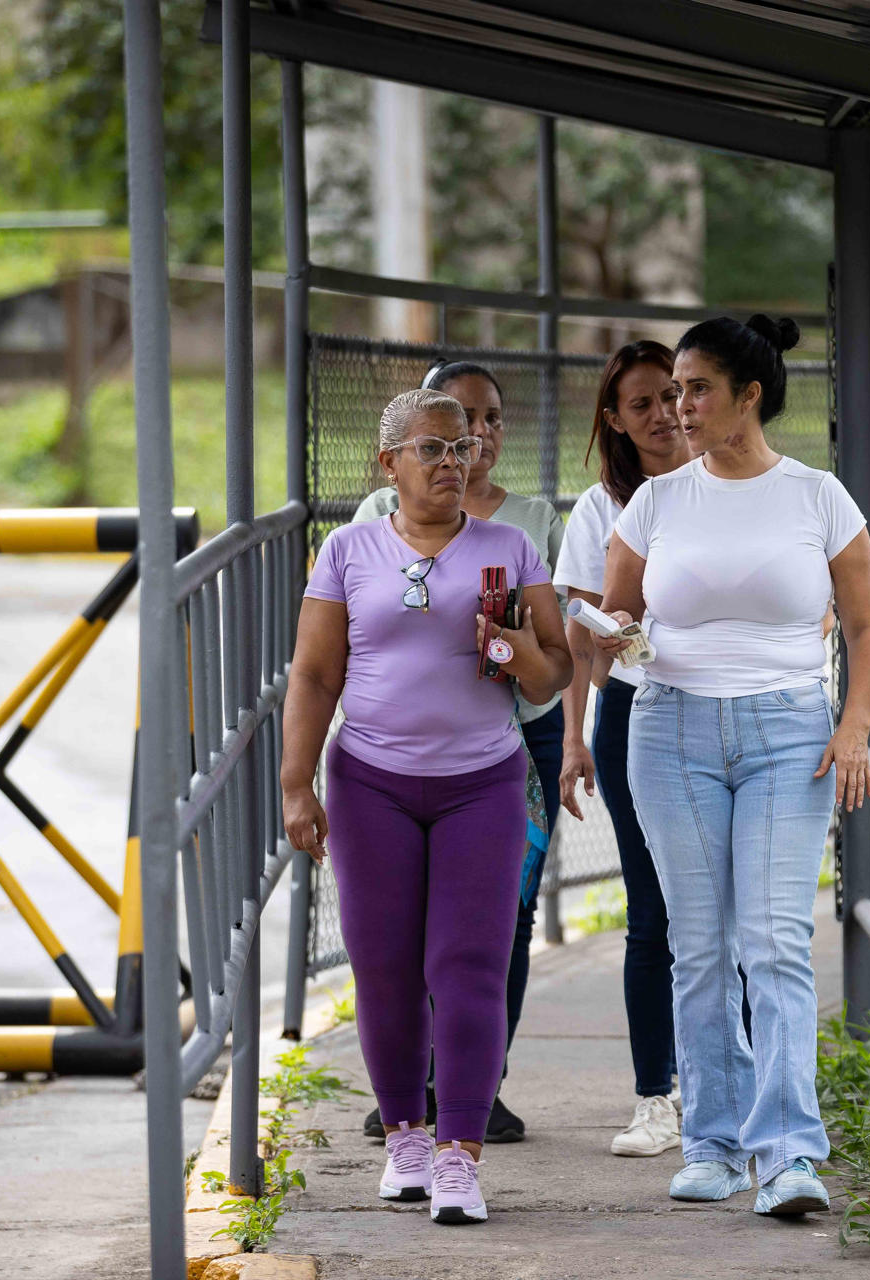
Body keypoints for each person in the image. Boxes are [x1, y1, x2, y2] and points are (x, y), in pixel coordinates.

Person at [596, 314, 870, 1218]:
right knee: (700, 945)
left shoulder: (819, 497)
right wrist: (615, 638)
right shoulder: (656, 502)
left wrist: (853, 730)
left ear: (748, 396)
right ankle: (713, 1145)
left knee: (775, 943)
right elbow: (612, 618)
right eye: (673, 391)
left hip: (789, 737)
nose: (677, 407)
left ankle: (791, 1154)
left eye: (695, 389)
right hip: (670, 730)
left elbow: (868, 626)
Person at [281, 387, 572, 1226]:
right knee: (384, 966)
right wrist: (297, 783)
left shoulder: (510, 547)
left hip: (482, 781)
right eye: (433, 449)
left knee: (469, 965)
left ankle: (459, 1156)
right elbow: (313, 674)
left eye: (464, 446)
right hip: (370, 781)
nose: (454, 461)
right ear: (390, 465)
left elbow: (556, 671)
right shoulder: (347, 550)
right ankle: (405, 1138)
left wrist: (522, 654)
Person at [350, 361, 564, 1146]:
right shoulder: (378, 515)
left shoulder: (531, 522)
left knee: (502, 917)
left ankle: (480, 1081)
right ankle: (411, 1083)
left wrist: (518, 658)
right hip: (399, 746)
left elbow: (554, 647)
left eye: (492, 421)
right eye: (454, 425)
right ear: (404, 450)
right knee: (406, 920)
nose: (474, 439)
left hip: (514, 732)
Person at [554, 340, 689, 1157]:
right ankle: (655, 1096)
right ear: (614, 418)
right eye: (643, 403)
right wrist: (573, 736)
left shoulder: (726, 486)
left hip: (717, 709)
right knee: (653, 912)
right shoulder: (599, 511)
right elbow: (581, 640)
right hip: (635, 712)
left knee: (728, 911)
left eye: (674, 394)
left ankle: (729, 1091)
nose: (665, 413)